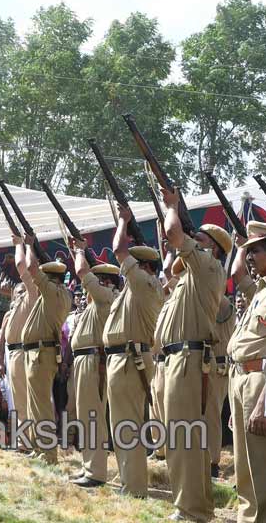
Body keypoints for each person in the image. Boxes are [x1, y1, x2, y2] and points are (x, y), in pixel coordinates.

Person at [156, 188, 229, 523]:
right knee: (179, 437)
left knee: (185, 437)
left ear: (211, 247)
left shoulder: (209, 267)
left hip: (189, 359)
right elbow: (171, 257)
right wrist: (170, 212)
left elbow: (174, 234)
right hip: (174, 360)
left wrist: (173, 206)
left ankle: (192, 510)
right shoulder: (188, 275)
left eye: (196, 237)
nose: (189, 240)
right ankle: (192, 506)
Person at [104, 205, 164, 499]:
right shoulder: (134, 288)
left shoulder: (146, 284)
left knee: (127, 424)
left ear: (146, 267)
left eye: (134, 263)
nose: (127, 268)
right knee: (121, 423)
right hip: (122, 359)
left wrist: (123, 221)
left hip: (132, 359)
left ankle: (135, 486)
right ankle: (129, 481)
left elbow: (118, 249)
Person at [228, 221, 266, 523]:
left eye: (256, 251)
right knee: (246, 471)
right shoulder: (263, 289)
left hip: (262, 383)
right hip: (241, 380)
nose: (249, 257)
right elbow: (237, 274)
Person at [68, 238, 119, 488]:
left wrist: (79, 252)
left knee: (93, 417)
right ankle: (90, 467)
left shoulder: (107, 296)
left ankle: (96, 471)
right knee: (86, 416)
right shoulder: (96, 301)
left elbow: (81, 271)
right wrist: (75, 250)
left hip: (94, 360)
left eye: (97, 279)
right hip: (85, 360)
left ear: (106, 282)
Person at [19, 235, 70, 464]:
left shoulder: (54, 292)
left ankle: (48, 452)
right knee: (35, 404)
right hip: (38, 352)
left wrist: (29, 245)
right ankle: (40, 448)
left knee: (40, 405)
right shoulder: (57, 294)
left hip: (41, 353)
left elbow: (31, 267)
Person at [0, 236, 38, 451]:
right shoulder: (13, 309)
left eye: (22, 291)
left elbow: (24, 267)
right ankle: (24, 440)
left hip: (25, 353)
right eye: (17, 292)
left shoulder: (32, 299)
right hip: (13, 354)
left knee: (28, 402)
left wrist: (20, 244)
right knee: (18, 402)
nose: (19, 293)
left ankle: (32, 440)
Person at [206, 294, 235, 479]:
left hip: (219, 367)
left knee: (212, 415)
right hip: (207, 366)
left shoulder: (225, 307)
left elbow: (217, 296)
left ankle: (213, 462)